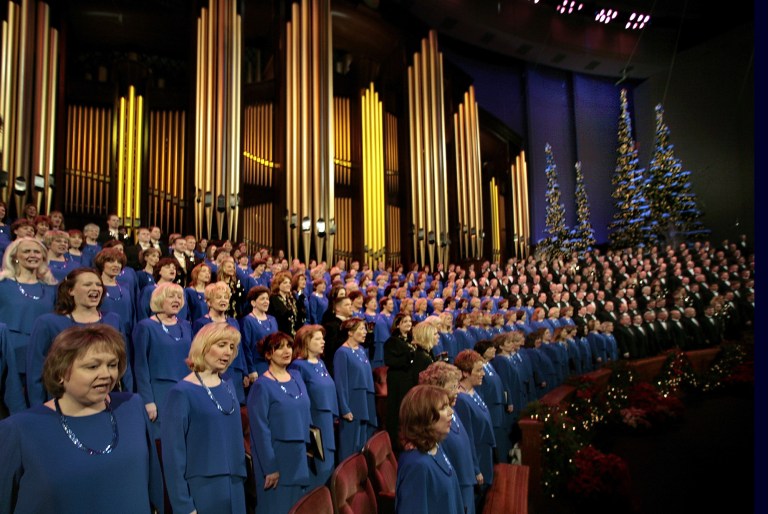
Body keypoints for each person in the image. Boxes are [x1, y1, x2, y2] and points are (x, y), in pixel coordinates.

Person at [0, 325, 164, 513]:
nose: (106, 374)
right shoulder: (18, 430)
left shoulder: (132, 406)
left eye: (112, 365)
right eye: (92, 366)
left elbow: (153, 486)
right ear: (61, 372)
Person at [162, 322, 248, 514]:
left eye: (232, 347)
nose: (227, 352)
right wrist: (183, 505)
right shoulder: (181, 392)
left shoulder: (228, 383)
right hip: (203, 489)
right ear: (204, 346)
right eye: (221, 345)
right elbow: (173, 456)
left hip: (235, 485)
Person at [26, 268, 128, 406]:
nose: (95, 288)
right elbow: (36, 372)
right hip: (63, 405)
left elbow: (124, 365)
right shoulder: (47, 323)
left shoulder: (114, 319)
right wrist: (38, 409)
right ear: (70, 291)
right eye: (87, 284)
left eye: (99, 285)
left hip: (107, 401)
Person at [247, 332, 313, 514]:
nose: (286, 351)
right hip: (277, 461)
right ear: (268, 354)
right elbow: (260, 430)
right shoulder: (261, 386)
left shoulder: (296, 376)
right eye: (280, 347)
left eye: (289, 346)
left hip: (299, 456)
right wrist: (270, 467)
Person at [132, 282, 194, 438]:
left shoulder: (186, 325)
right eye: (171, 296)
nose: (177, 300)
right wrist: (148, 401)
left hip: (187, 389)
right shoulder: (145, 326)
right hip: (160, 394)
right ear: (159, 299)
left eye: (179, 297)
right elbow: (141, 366)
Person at [418, 362, 478, 514]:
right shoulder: (436, 423)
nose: (457, 390)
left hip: (464, 481)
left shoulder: (452, 410)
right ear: (437, 389)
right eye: (452, 387)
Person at [395, 384, 464, 514]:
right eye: (443, 407)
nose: (451, 412)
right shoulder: (417, 465)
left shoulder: (434, 445)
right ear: (424, 417)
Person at [0, 238, 58, 384]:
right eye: (27, 251)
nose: (33, 255)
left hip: (43, 352)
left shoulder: (51, 288)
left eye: (37, 252)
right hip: (9, 352)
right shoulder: (3, 285)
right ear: (14, 257)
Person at [289, 324, 339, 487]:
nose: (322, 341)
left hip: (327, 420)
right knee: (319, 464)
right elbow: (300, 399)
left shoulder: (320, 362)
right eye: (317, 339)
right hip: (314, 423)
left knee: (329, 464)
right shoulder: (298, 366)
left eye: (322, 338)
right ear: (305, 342)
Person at [193, 282, 253, 404]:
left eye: (226, 297)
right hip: (211, 371)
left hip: (234, 371)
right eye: (219, 297)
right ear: (209, 302)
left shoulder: (234, 322)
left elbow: (240, 349)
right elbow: (198, 351)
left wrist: (245, 372)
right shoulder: (201, 323)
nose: (223, 300)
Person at [454, 349, 495, 502]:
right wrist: (476, 470)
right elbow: (468, 438)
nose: (483, 373)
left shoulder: (473, 391)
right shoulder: (462, 401)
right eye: (478, 370)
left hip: (484, 454)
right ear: (465, 373)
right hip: (476, 459)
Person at [334, 317, 378, 461]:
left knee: (363, 443)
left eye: (365, 328)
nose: (365, 332)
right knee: (350, 446)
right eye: (361, 329)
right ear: (350, 332)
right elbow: (341, 382)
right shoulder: (342, 352)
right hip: (353, 403)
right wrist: (344, 408)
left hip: (366, 399)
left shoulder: (361, 350)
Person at [384, 312, 415, 450]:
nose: (409, 324)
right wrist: (409, 359)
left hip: (408, 379)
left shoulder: (411, 341)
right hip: (397, 380)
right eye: (405, 322)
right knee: (398, 409)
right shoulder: (392, 342)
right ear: (398, 324)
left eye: (410, 321)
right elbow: (390, 361)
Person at [94, 247, 136, 336]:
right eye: (111, 261)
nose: (116, 265)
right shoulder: (95, 288)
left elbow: (131, 315)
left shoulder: (125, 288)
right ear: (102, 264)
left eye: (119, 262)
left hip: (124, 337)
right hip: (102, 336)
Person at [240, 285, 278, 376]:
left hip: (274, 365)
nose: (266, 302)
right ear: (253, 303)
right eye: (262, 299)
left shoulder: (272, 319)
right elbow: (246, 348)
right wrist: (251, 369)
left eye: (267, 299)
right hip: (258, 367)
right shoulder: (247, 321)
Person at [268, 270, 299, 337]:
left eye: (289, 283)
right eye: (285, 283)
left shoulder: (291, 298)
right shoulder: (273, 298)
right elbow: (283, 315)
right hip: (281, 334)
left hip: (293, 333)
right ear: (278, 285)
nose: (288, 285)